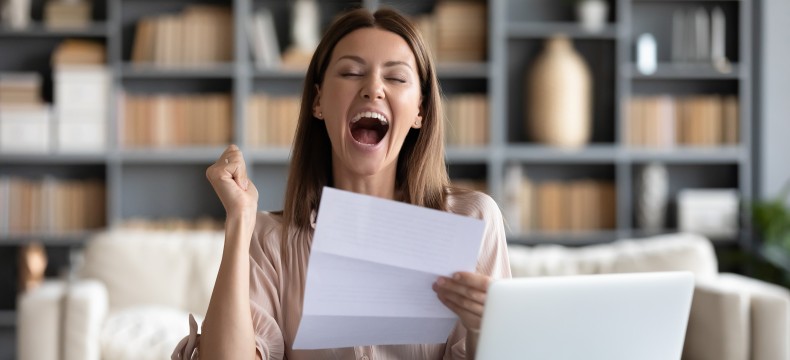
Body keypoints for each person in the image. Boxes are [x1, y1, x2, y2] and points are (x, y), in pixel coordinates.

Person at [172, 7, 510, 360]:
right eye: (351, 72)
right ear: (318, 101)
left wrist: (491, 327)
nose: (373, 88)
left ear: (420, 111)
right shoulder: (270, 240)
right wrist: (240, 220)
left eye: (396, 78)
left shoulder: (472, 222)